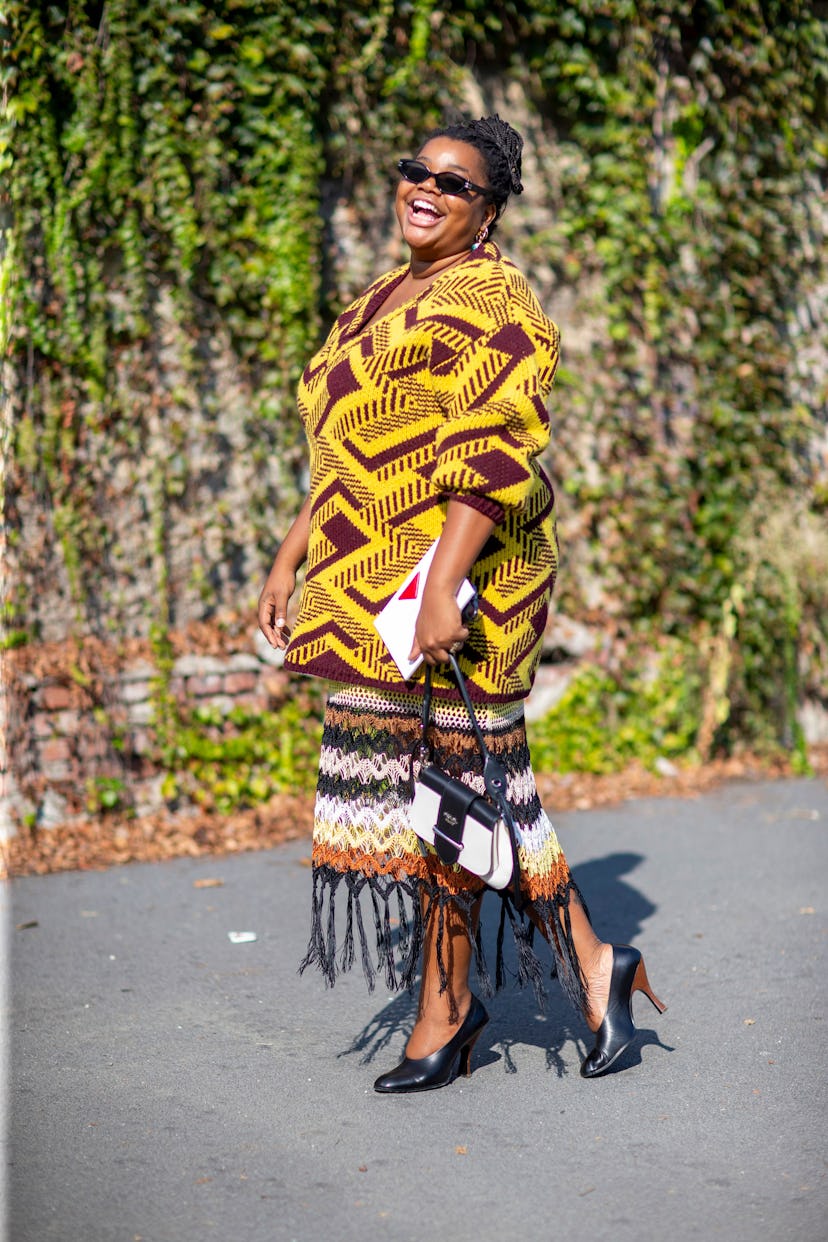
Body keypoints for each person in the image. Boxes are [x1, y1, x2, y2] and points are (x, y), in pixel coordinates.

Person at [258, 114, 665, 1090]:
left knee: (472, 779)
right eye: (415, 171)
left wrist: (442, 583)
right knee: (441, 797)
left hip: (473, 576)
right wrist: (289, 559)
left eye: (454, 181)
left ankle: (467, 1003)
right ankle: (542, 979)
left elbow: (495, 450)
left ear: (489, 210)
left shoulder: (497, 298)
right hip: (375, 584)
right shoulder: (371, 305)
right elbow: (347, 455)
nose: (425, 187)